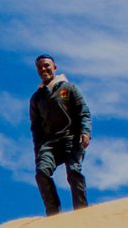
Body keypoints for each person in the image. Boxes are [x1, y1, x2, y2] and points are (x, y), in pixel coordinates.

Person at [28, 54, 92, 216]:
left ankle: (81, 212)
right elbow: (35, 128)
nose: (43, 69)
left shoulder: (69, 88)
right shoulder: (36, 98)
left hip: (71, 138)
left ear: (54, 67)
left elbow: (83, 111)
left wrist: (85, 132)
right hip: (49, 143)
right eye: (40, 67)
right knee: (41, 173)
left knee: (73, 172)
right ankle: (53, 213)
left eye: (46, 65)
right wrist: (38, 151)